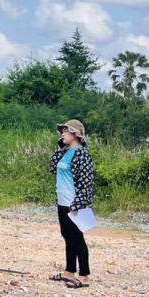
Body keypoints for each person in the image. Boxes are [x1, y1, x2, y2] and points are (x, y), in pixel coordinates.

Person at [49, 119, 95, 288]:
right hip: (63, 201)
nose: (62, 134)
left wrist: (79, 204)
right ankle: (69, 272)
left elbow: (86, 182)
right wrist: (60, 148)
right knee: (68, 236)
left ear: (75, 134)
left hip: (73, 203)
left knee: (77, 238)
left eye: (65, 131)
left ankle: (84, 276)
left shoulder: (82, 154)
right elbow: (53, 167)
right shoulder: (66, 151)